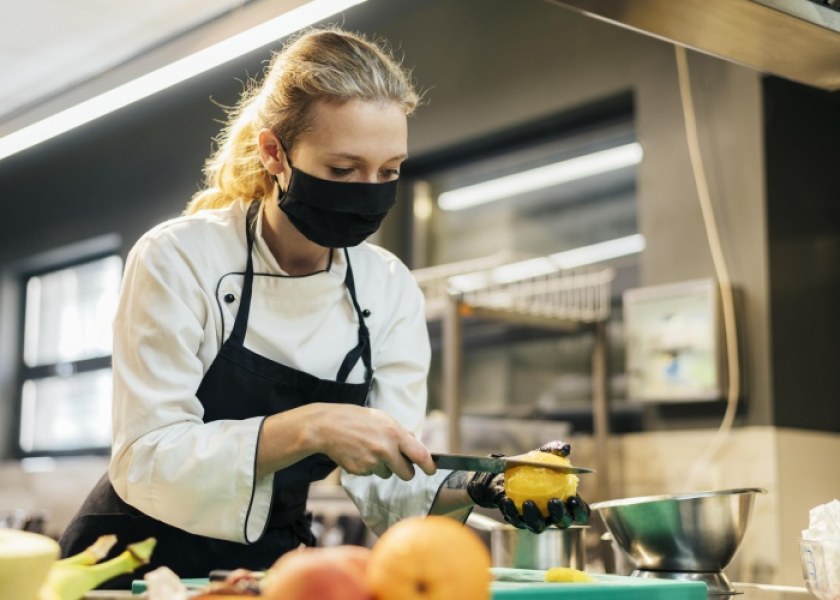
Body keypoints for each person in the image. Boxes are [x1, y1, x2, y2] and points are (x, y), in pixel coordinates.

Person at [59, 27, 589, 585]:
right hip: (128, 562)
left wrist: (479, 487)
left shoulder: (388, 289)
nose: (368, 191)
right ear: (274, 154)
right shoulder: (179, 258)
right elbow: (145, 456)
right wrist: (311, 426)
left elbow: (392, 484)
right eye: (342, 170)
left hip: (273, 569)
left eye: (389, 172)